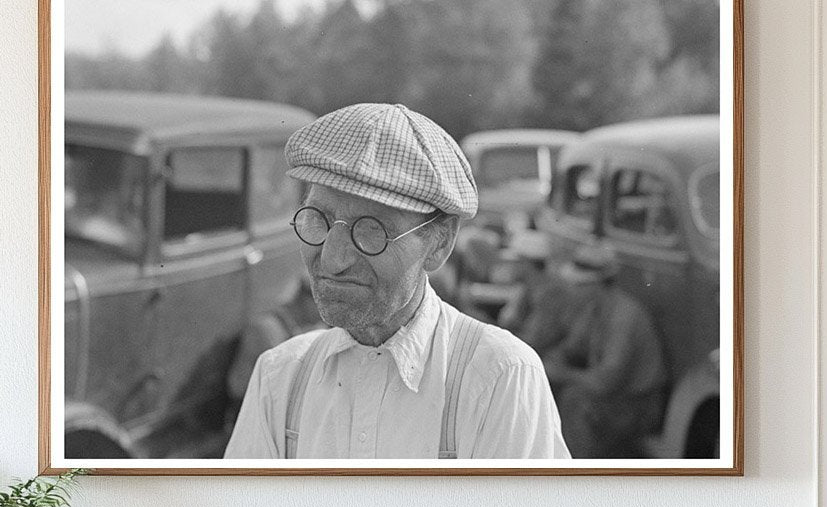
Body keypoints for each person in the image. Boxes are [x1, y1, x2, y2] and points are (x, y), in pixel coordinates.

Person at [224, 103, 570, 460]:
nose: (332, 258)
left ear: (440, 243)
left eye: (372, 230)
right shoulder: (280, 377)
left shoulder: (499, 378)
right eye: (319, 219)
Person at [542, 244, 667, 458]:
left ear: (597, 285)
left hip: (638, 405)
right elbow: (571, 348)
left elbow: (605, 383)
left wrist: (560, 372)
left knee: (576, 401)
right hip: (617, 399)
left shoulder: (623, 317)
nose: (573, 290)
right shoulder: (593, 309)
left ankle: (576, 473)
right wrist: (553, 360)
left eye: (579, 285)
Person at [496, 229, 568, 353]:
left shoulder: (550, 294)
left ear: (526, 263)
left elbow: (532, 342)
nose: (509, 266)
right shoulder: (527, 289)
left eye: (515, 262)